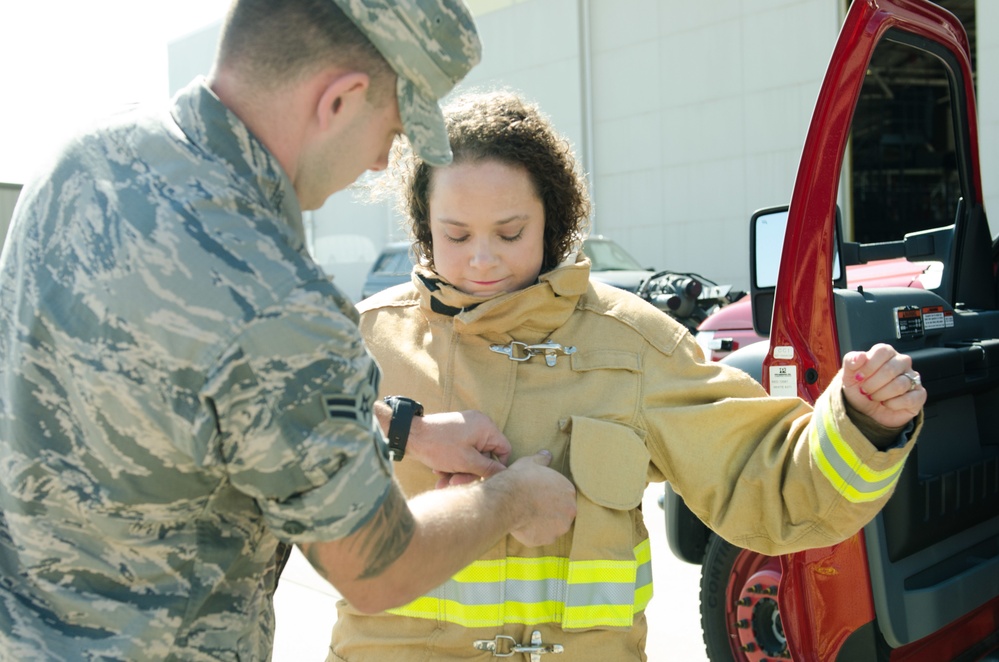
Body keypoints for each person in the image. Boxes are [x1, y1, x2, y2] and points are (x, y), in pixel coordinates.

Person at [0, 3, 578, 660]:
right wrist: (509, 500)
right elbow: (377, 565)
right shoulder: (278, 299)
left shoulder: (85, 159)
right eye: (392, 131)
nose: (377, 164)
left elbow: (170, 387)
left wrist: (399, 430)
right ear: (340, 100)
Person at [328, 90, 926, 661]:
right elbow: (260, 451)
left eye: (510, 233)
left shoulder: (634, 343)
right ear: (423, 225)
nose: (482, 258)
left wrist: (862, 426)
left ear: (553, 221)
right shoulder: (361, 340)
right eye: (455, 235)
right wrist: (400, 428)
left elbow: (763, 478)